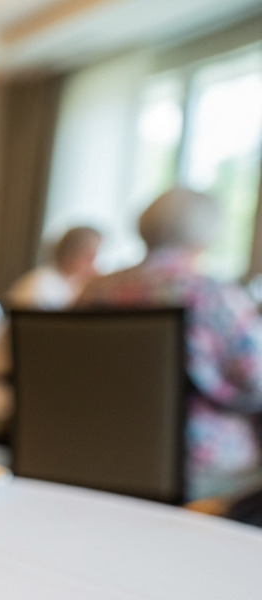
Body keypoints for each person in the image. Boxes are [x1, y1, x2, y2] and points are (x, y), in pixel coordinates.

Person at [77, 187, 262, 497]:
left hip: (94, 447)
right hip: (193, 462)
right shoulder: (213, 296)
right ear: (204, 236)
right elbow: (255, 378)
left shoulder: (94, 291)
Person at [7, 226, 101, 309]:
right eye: (89, 256)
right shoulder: (38, 283)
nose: (92, 264)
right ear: (71, 253)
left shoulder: (77, 285)